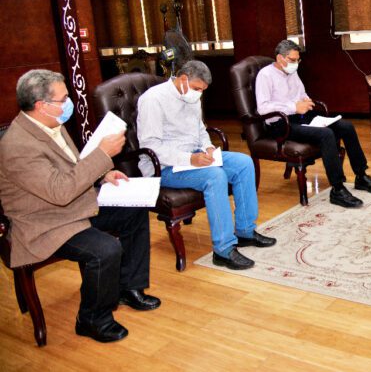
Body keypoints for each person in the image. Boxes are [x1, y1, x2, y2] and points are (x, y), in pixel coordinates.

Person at [0, 70, 160, 343]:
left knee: (134, 209)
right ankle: (92, 319)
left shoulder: (51, 124)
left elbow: (70, 168)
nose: (69, 103)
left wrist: (102, 175)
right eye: (63, 99)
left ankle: (128, 287)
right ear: (41, 105)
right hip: (46, 222)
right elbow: (60, 191)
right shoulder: (18, 146)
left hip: (74, 206)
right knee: (105, 249)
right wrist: (102, 155)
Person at [137, 60, 273, 271]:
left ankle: (245, 231)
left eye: (202, 90)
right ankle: (223, 250)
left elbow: (200, 130)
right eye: (197, 88)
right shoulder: (152, 99)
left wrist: (208, 147)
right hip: (163, 167)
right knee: (215, 176)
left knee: (244, 163)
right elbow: (151, 146)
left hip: (193, 157)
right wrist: (189, 159)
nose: (199, 94)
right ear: (183, 79)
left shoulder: (190, 95)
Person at [255, 40, 371, 208]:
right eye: (292, 60)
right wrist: (293, 107)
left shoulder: (292, 72)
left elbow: (301, 93)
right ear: (280, 58)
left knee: (346, 126)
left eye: (298, 60)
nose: (296, 64)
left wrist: (306, 100)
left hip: (300, 116)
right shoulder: (265, 75)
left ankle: (361, 176)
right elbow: (263, 108)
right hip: (280, 124)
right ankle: (337, 189)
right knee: (326, 134)